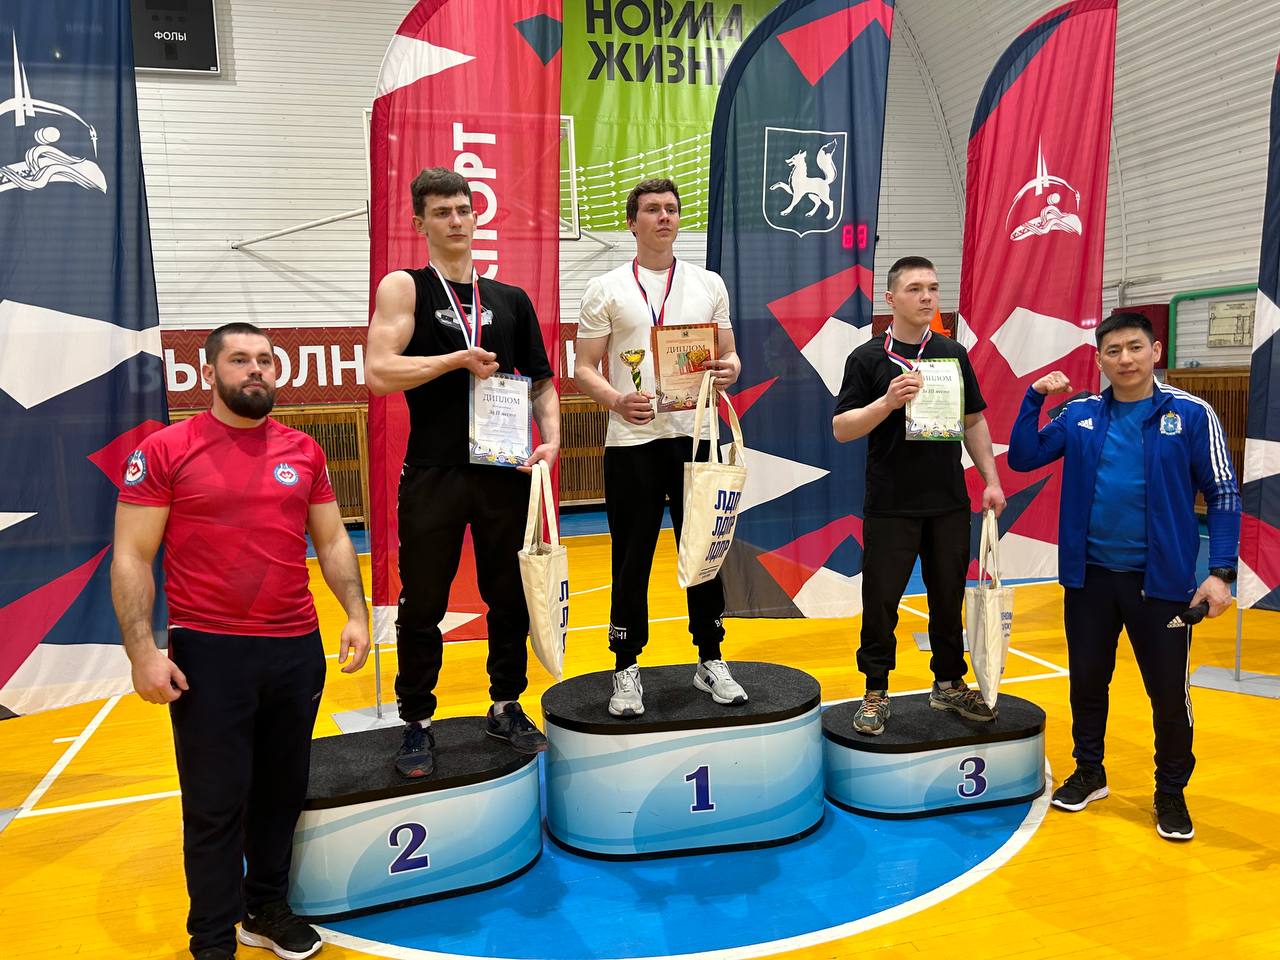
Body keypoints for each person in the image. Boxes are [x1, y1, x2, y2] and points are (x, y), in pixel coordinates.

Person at [111, 322, 371, 960]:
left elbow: (332, 538)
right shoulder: (167, 450)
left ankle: (266, 910)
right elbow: (131, 556)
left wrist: (356, 614)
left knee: (281, 793)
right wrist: (143, 652)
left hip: (295, 648)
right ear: (208, 373)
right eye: (239, 360)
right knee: (215, 802)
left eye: (264, 360)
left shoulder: (304, 450)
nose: (255, 369)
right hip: (210, 652)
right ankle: (211, 938)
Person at [1008, 310, 1240, 841]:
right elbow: (1023, 457)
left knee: (1168, 694)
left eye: (1135, 347)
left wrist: (1220, 572)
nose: (1125, 359)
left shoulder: (1191, 413)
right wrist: (1033, 398)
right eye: (1113, 351)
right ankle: (1090, 771)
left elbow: (1223, 493)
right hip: (1089, 579)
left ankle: (1170, 792)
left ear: (1155, 351)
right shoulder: (1080, 414)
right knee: (1088, 682)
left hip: (1162, 586)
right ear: (1099, 360)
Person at [366, 166, 560, 777]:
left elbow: (541, 382)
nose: (455, 220)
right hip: (435, 471)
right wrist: (455, 359)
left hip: (504, 470)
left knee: (509, 595)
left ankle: (506, 704)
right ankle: (417, 721)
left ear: (477, 216)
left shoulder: (510, 300)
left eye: (463, 209)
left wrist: (553, 439)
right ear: (419, 222)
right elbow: (378, 372)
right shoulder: (407, 288)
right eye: (441, 212)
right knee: (423, 600)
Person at [573, 177, 745, 717]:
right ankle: (626, 668)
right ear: (633, 222)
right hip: (633, 442)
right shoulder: (605, 288)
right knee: (631, 558)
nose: (664, 217)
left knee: (704, 552)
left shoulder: (708, 283)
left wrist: (729, 370)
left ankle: (710, 657)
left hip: (696, 437)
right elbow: (583, 368)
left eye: (671, 209)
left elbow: (730, 357)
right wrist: (616, 401)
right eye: (652, 209)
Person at [832, 256, 1006, 735]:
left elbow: (974, 421)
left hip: (948, 501)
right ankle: (875, 690)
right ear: (891, 299)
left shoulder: (952, 353)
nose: (927, 296)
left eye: (932, 287)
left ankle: (948, 683)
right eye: (914, 289)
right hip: (891, 504)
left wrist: (991, 480)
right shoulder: (867, 358)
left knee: (948, 599)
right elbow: (842, 428)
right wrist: (887, 402)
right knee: (881, 602)